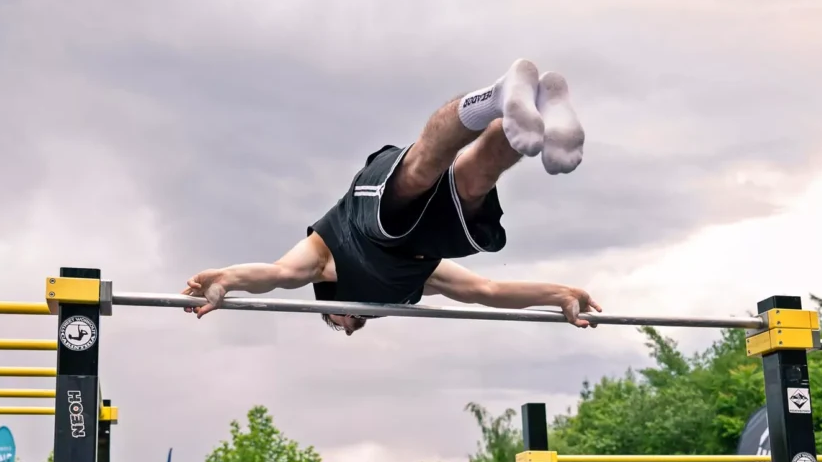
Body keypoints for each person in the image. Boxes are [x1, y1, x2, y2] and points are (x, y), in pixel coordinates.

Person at [181, 59, 592, 335]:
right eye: (357, 325)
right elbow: (487, 291)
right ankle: (539, 108)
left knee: (419, 172)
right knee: (472, 181)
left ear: (328, 305)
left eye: (340, 320)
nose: (352, 325)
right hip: (425, 239)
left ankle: (497, 96)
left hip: (368, 213)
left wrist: (226, 280)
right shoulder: (413, 284)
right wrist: (561, 294)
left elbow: (278, 275)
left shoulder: (322, 264)